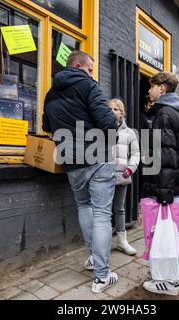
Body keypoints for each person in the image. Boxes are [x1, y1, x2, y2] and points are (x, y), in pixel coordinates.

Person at [42, 50, 119, 293]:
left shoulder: (50, 95)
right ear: (78, 65)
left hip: (71, 162)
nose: (92, 73)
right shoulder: (89, 87)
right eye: (90, 68)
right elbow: (108, 122)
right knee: (101, 215)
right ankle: (102, 276)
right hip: (97, 158)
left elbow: (46, 126)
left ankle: (94, 259)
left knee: (84, 208)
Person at [142, 72, 179, 295]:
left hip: (165, 186)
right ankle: (169, 279)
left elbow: (165, 157)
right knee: (170, 235)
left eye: (152, 86)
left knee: (163, 236)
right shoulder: (177, 113)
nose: (149, 91)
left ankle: (166, 281)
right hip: (174, 185)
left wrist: (163, 192)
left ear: (161, 88)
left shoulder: (163, 115)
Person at [108, 98, 140, 256]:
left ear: (122, 113)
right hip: (105, 175)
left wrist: (130, 168)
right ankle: (104, 242)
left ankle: (122, 241)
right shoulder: (103, 128)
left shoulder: (129, 133)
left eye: (116, 109)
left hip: (122, 175)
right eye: (110, 109)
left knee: (119, 209)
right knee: (104, 210)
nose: (112, 111)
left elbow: (135, 153)